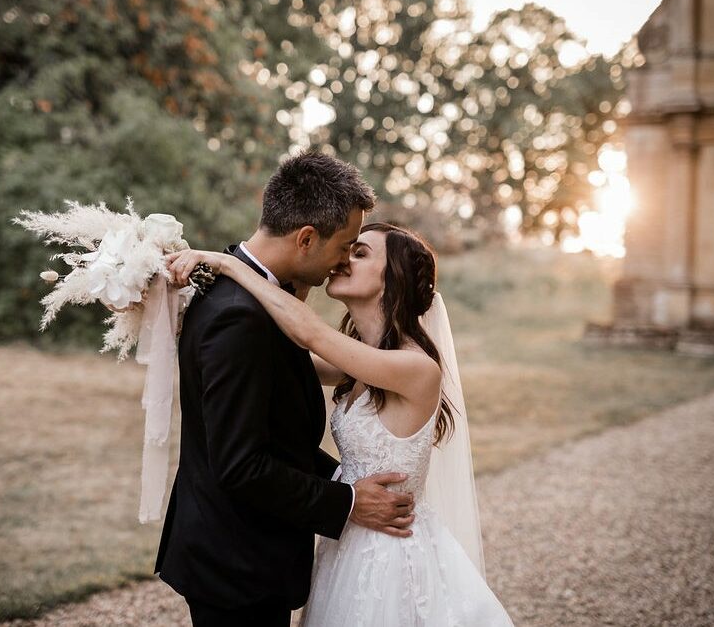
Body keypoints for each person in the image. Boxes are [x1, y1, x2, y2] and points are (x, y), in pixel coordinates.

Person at [169, 221, 515, 626]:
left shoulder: (415, 368)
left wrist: (229, 266)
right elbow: (276, 353)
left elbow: (308, 332)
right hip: (350, 539)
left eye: (361, 252)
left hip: (391, 552)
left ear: (393, 279)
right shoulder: (360, 360)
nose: (344, 258)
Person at [153, 152, 418, 627]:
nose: (342, 260)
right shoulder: (241, 314)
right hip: (236, 560)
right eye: (345, 246)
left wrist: (352, 480)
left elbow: (274, 436)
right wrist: (350, 502)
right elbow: (241, 465)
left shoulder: (253, 296)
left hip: (240, 550)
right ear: (306, 238)